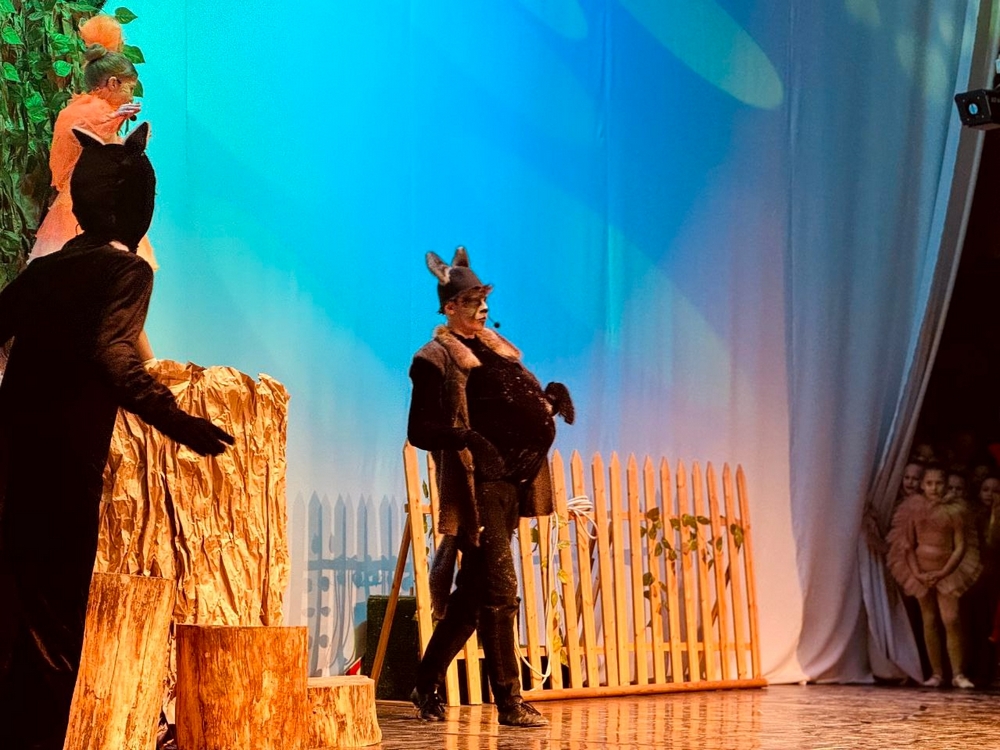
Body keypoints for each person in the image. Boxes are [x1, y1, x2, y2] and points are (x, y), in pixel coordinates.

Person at [0, 123, 234, 750]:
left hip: (13, 467)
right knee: (55, 633)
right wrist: (178, 420)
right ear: (137, 205)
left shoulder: (46, 271)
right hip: (63, 474)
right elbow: (115, 355)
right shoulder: (124, 271)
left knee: (12, 618)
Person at [407, 247, 574, 728]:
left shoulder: (497, 348)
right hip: (479, 489)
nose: (482, 307)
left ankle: (424, 682)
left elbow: (508, 405)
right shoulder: (434, 358)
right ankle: (509, 702)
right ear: (449, 307)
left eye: (483, 299)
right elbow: (420, 429)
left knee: (472, 597)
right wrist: (469, 439)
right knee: (501, 590)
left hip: (511, 485)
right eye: (471, 300)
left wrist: (547, 401)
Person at [32, 17, 156, 359]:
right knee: (115, 293)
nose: (130, 94)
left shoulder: (88, 111)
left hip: (91, 208)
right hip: (84, 213)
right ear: (113, 83)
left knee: (110, 296)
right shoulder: (88, 112)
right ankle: (148, 364)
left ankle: (143, 362)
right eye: (129, 87)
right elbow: (83, 136)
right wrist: (115, 119)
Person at [887, 464, 981, 689]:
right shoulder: (913, 508)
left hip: (946, 569)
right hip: (921, 570)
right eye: (929, 483)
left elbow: (960, 546)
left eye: (939, 483)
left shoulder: (955, 510)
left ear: (946, 484)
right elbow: (908, 544)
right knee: (929, 620)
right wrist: (917, 573)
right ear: (922, 485)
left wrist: (944, 572)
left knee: (951, 619)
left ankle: (958, 673)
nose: (934, 488)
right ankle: (937, 673)